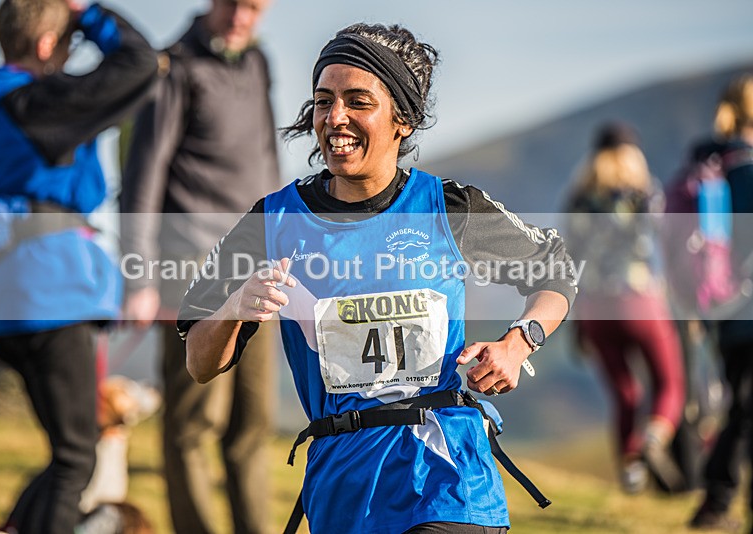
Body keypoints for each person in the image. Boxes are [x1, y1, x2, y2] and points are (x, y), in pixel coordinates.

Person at [177, 22, 576, 534]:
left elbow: (556, 272)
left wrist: (519, 343)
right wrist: (234, 307)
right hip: (343, 485)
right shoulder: (273, 221)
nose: (335, 118)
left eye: (357, 101)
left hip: (446, 475)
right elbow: (199, 363)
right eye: (324, 101)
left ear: (402, 120)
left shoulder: (446, 207)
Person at [0, 1, 158, 532]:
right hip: (48, 293)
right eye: (69, 43)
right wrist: (85, 11)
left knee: (65, 452)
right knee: (76, 458)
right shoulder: (36, 102)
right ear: (46, 45)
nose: (71, 57)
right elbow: (139, 63)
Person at [119, 0, 279, 532]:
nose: (241, 17)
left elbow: (267, 160)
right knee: (194, 421)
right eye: (233, 3)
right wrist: (138, 276)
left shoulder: (257, 63)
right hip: (190, 265)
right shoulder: (174, 68)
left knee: (251, 423)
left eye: (254, 7)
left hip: (257, 261)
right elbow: (142, 178)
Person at [563, 122, 687, 494]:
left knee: (625, 393)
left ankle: (632, 473)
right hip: (642, 300)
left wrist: (575, 319)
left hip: (596, 306)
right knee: (669, 383)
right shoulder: (646, 195)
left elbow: (570, 260)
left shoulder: (580, 199)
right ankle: (653, 440)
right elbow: (666, 249)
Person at [689, 74, 753, 531]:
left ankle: (717, 498)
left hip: (722, 307)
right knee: (746, 407)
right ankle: (717, 498)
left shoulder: (709, 165)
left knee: (742, 404)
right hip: (745, 304)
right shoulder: (746, 169)